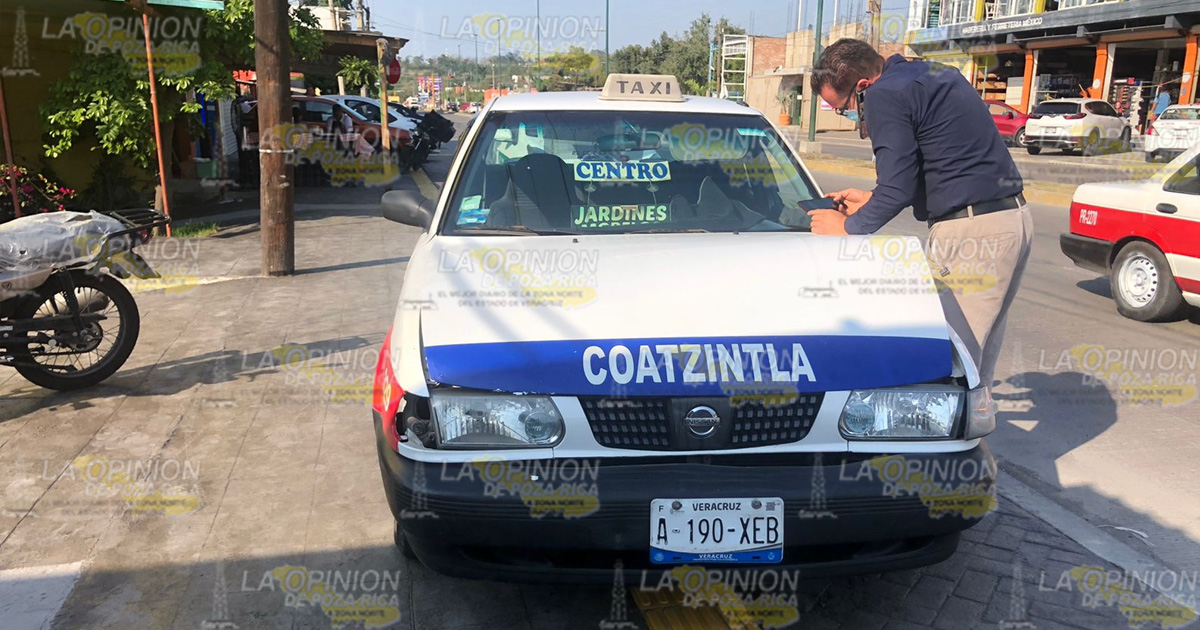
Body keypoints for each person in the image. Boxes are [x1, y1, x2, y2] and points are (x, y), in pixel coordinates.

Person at [807, 38, 1033, 390]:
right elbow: (937, 158)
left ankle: (951, 444)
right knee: (976, 363)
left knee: (946, 363)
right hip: (1010, 220)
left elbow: (897, 189)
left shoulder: (883, 95)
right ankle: (974, 432)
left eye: (844, 107)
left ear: (863, 87)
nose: (850, 115)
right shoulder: (932, 73)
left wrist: (847, 228)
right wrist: (871, 198)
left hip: (972, 234)